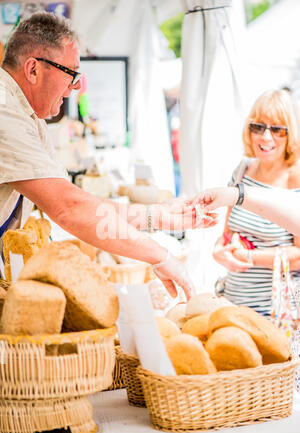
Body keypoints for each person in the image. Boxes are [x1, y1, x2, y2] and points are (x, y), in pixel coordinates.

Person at [0, 12, 217, 300]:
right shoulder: (6, 111)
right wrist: (160, 256)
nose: (75, 87)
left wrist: (159, 216)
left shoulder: (29, 116)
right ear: (33, 69)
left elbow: (79, 203)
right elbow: (69, 208)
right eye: (71, 73)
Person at [191, 89, 300, 316]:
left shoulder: (295, 177)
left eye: (277, 129)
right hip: (234, 302)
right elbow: (229, 234)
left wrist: (250, 258)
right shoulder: (243, 170)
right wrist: (219, 251)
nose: (266, 137)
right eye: (258, 127)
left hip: (277, 313)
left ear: (291, 134)